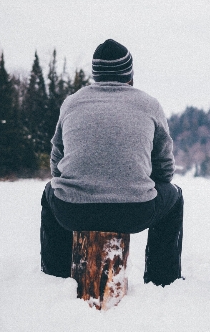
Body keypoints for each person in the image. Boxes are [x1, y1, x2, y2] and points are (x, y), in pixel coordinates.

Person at [40, 39, 183, 287]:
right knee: (174, 196)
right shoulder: (149, 104)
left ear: (95, 74)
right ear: (129, 73)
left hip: (74, 211)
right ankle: (162, 279)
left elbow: (57, 161)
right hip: (134, 212)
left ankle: (56, 278)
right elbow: (165, 168)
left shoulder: (72, 102)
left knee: (51, 192)